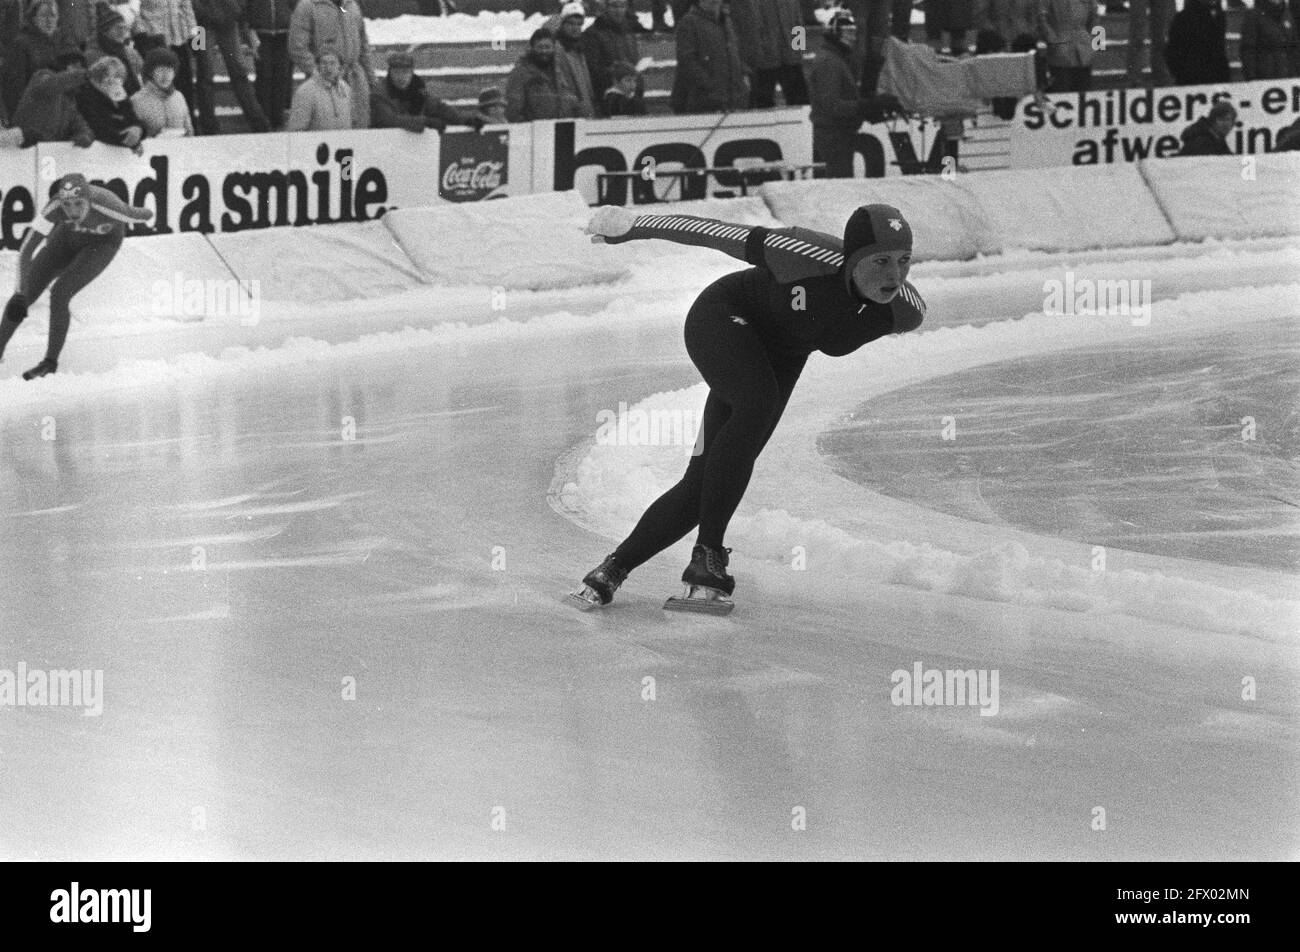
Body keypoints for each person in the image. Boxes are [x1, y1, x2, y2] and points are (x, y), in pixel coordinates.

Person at [572, 202, 926, 609]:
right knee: (756, 405)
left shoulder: (903, 311)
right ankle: (707, 557)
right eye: (880, 261)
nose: (894, 276)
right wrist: (634, 226)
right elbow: (713, 231)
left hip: (781, 357)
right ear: (854, 257)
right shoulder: (803, 252)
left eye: (904, 261)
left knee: (706, 482)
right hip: (724, 318)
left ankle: (611, 571)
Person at [0, 173, 153, 380]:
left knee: (60, 293)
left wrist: (145, 214)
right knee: (26, 293)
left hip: (102, 245)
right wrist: (20, 292)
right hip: (67, 239)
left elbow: (143, 214)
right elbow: (27, 248)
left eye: (79, 204)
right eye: (67, 204)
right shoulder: (54, 208)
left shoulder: (109, 206)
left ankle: (49, 363)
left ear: (89, 200)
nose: (72, 211)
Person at [809, 8, 901, 177]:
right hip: (833, 138)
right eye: (847, 32)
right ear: (834, 33)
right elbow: (833, 107)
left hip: (839, 135)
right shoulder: (829, 62)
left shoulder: (836, 58)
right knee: (840, 187)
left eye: (853, 32)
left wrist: (872, 109)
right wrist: (868, 106)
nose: (852, 37)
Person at [289, 0, 373, 130]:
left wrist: (371, 78)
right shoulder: (308, 6)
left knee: (359, 129)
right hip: (322, 83)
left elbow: (363, 45)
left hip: (355, 81)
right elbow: (297, 47)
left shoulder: (352, 5)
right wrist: (319, 72)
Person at [191, 0, 270, 133]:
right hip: (201, 24)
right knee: (205, 73)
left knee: (238, 72)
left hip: (228, 18)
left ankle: (259, 124)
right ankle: (208, 128)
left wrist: (237, 9)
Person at [371, 49, 487, 132]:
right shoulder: (380, 92)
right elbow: (389, 120)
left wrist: (464, 120)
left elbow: (438, 107)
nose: (401, 77)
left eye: (405, 72)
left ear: (412, 73)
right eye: (396, 72)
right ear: (390, 73)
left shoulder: (418, 91)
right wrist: (425, 122)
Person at [3, 0, 79, 116]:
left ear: (58, 18)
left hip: (62, 112)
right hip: (35, 113)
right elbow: (15, 88)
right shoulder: (22, 44)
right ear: (34, 18)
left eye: (52, 15)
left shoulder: (63, 42)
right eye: (44, 16)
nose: (49, 21)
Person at [671, 0, 748, 113]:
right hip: (703, 103)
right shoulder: (688, 23)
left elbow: (735, 53)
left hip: (732, 100)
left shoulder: (726, 22)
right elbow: (687, 62)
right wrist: (711, 87)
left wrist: (743, 75)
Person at [132, 0, 198, 130]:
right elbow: (134, 9)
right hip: (154, 38)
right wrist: (140, 33)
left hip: (179, 39)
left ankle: (189, 129)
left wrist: (195, 39)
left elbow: (188, 9)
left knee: (185, 87)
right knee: (157, 86)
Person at [730, 0, 809, 108]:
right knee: (762, 108)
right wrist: (746, 58)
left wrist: (799, 50)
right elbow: (739, 26)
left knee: (801, 104)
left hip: (791, 57)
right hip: (761, 61)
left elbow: (797, 19)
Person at [2, 59, 94, 147]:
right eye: (74, 66)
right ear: (64, 66)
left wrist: (84, 136)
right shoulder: (42, 77)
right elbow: (53, 83)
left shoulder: (69, 102)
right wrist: (85, 74)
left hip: (44, 152)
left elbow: (79, 123)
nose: (77, 70)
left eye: (80, 67)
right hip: (19, 145)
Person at [505, 28, 582, 121]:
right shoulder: (520, 73)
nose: (544, 51)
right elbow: (513, 108)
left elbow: (572, 98)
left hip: (562, 128)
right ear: (532, 48)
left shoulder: (560, 72)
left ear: (553, 48)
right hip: (535, 131)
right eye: (540, 47)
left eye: (547, 47)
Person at [582, 0, 643, 117]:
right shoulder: (592, 34)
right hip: (609, 99)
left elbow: (634, 60)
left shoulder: (628, 32)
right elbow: (592, 68)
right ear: (605, 7)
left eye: (622, 6)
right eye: (614, 6)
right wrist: (617, 75)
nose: (618, 10)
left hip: (630, 95)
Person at [75, 53, 146, 148]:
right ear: (103, 79)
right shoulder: (84, 97)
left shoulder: (114, 95)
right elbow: (98, 129)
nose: (118, 85)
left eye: (119, 82)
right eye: (114, 80)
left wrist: (138, 129)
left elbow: (133, 119)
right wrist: (130, 139)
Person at [247, 0, 296, 129]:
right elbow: (247, 7)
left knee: (281, 76)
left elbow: (295, 5)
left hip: (284, 33)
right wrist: (250, 31)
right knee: (264, 76)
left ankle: (278, 120)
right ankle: (264, 120)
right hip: (261, 33)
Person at [1163, 0, 1229, 86]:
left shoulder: (1218, 17)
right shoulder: (1182, 19)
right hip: (1190, 79)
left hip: (1208, 78)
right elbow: (1172, 52)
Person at [131, 45, 193, 135]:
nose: (165, 75)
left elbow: (189, 131)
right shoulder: (137, 100)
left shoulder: (179, 97)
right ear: (151, 72)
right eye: (160, 70)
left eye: (169, 70)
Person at [550, 2, 598, 118]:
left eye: (578, 24)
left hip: (584, 108)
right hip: (567, 111)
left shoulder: (580, 49)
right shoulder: (556, 49)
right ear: (562, 24)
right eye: (571, 23)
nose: (575, 28)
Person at [285, 47, 350, 130]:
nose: (328, 68)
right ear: (317, 66)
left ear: (339, 66)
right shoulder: (305, 91)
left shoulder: (345, 89)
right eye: (324, 63)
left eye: (332, 63)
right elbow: (297, 128)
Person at [86, 0, 143, 96]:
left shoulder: (130, 52)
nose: (123, 33)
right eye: (118, 28)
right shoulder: (93, 55)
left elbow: (141, 75)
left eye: (125, 28)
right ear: (105, 31)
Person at [1039, 0, 1097, 92]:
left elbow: (1094, 17)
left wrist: (1088, 38)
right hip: (1061, 50)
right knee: (1062, 91)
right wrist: (1053, 39)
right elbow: (1041, 18)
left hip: (1083, 50)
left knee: (1083, 93)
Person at [1240, 0, 1300, 81]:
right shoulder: (1253, 15)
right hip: (1266, 78)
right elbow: (1248, 50)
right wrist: (1252, 79)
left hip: (1289, 78)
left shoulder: (1287, 13)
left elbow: (1295, 47)